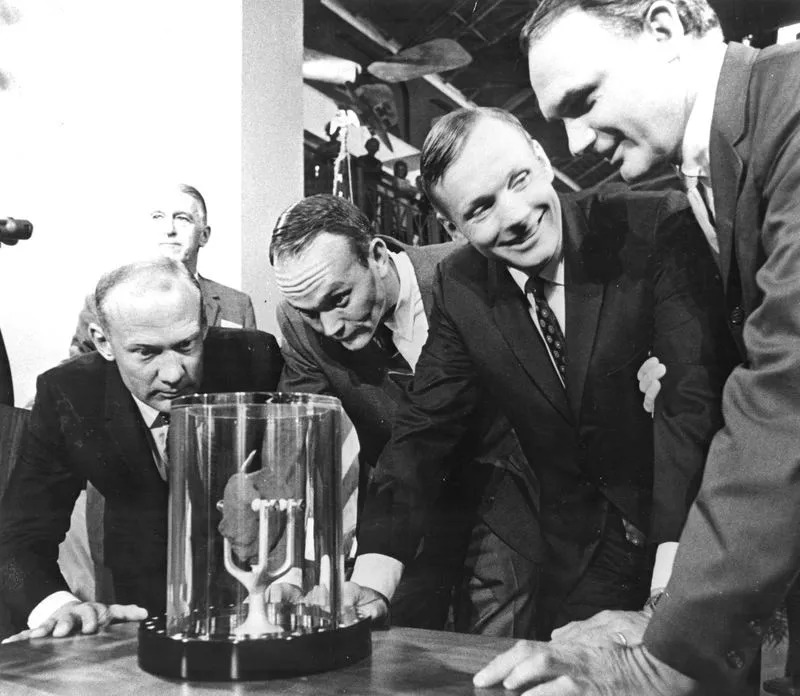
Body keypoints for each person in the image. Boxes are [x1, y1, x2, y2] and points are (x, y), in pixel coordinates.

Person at [474, 1, 800, 693]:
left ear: (663, 30)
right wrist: (669, 622)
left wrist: (665, 660)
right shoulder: (720, 154)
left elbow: (786, 390)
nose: (574, 145)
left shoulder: (792, 105)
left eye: (584, 101)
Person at [347, 107, 734, 641]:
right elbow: (423, 430)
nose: (515, 215)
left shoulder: (652, 224)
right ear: (453, 228)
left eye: (518, 179)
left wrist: (668, 596)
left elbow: (689, 403)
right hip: (581, 553)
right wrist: (372, 580)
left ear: (542, 158)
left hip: (693, 533)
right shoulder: (461, 286)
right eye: (480, 208)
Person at [270, 193, 539, 637]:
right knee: (394, 646)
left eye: (339, 299)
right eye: (310, 312)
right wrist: (289, 568)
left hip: (505, 498)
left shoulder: (469, 271)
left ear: (377, 256)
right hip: (401, 514)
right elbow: (298, 444)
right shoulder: (300, 324)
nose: (329, 327)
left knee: (492, 650)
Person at [0, 257, 282, 641]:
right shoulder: (68, 394)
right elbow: (18, 536)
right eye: (146, 353)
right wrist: (58, 607)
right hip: (144, 595)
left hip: (259, 592)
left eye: (186, 345)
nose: (173, 373)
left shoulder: (256, 358)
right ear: (103, 341)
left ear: (203, 325)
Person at [68, 184, 256, 357]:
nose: (169, 229)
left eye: (182, 218)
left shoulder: (237, 305)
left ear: (204, 236)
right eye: (158, 217)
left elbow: (250, 372)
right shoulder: (100, 303)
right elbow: (76, 375)